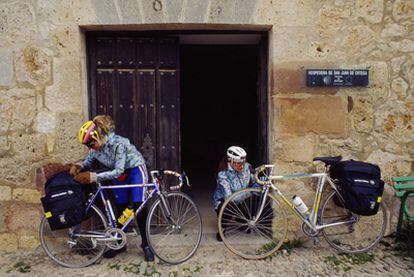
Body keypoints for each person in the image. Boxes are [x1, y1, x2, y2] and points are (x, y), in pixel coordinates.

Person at [69, 115, 154, 261]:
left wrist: (93, 177)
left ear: (98, 136)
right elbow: (88, 162)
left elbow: (119, 170)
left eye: (90, 144)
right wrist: (79, 167)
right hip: (117, 173)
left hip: (134, 169)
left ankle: (146, 244)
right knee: (120, 206)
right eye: (87, 145)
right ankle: (120, 244)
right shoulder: (95, 148)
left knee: (139, 206)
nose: (90, 147)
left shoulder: (118, 144)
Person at [212, 146, 257, 241]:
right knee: (227, 207)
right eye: (238, 163)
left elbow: (255, 182)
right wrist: (251, 191)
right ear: (231, 161)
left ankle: (242, 220)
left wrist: (260, 183)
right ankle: (222, 228)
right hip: (226, 201)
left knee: (255, 201)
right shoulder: (223, 175)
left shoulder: (248, 167)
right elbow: (230, 198)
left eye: (243, 162)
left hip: (242, 199)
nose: (242, 165)